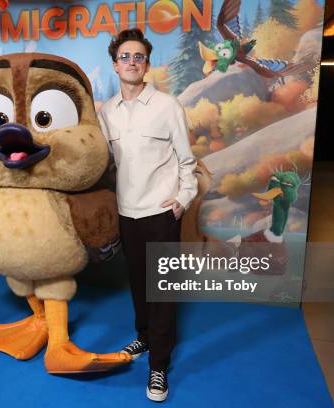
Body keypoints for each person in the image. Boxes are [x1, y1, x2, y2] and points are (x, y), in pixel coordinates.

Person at [98, 28, 198, 402]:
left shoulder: (167, 106)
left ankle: (158, 365)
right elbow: (105, 164)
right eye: (125, 56)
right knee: (138, 282)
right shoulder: (107, 111)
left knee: (162, 291)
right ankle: (144, 335)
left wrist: (181, 201)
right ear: (115, 64)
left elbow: (187, 161)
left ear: (147, 64)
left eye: (138, 56)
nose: (132, 62)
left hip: (161, 212)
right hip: (127, 212)